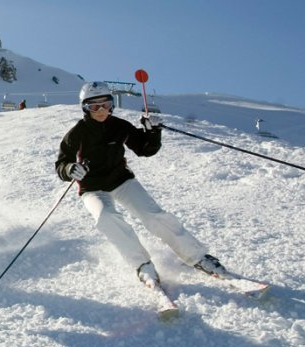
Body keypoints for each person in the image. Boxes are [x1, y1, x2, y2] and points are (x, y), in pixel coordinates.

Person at [55, 82, 231, 291]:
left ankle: (198, 257)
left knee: (152, 214)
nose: (101, 111)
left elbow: (145, 149)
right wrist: (70, 169)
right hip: (92, 188)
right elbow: (61, 163)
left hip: (121, 181)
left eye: (105, 104)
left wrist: (153, 131)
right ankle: (142, 265)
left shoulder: (119, 126)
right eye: (94, 107)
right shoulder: (77, 132)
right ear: (85, 108)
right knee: (106, 218)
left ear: (112, 105)